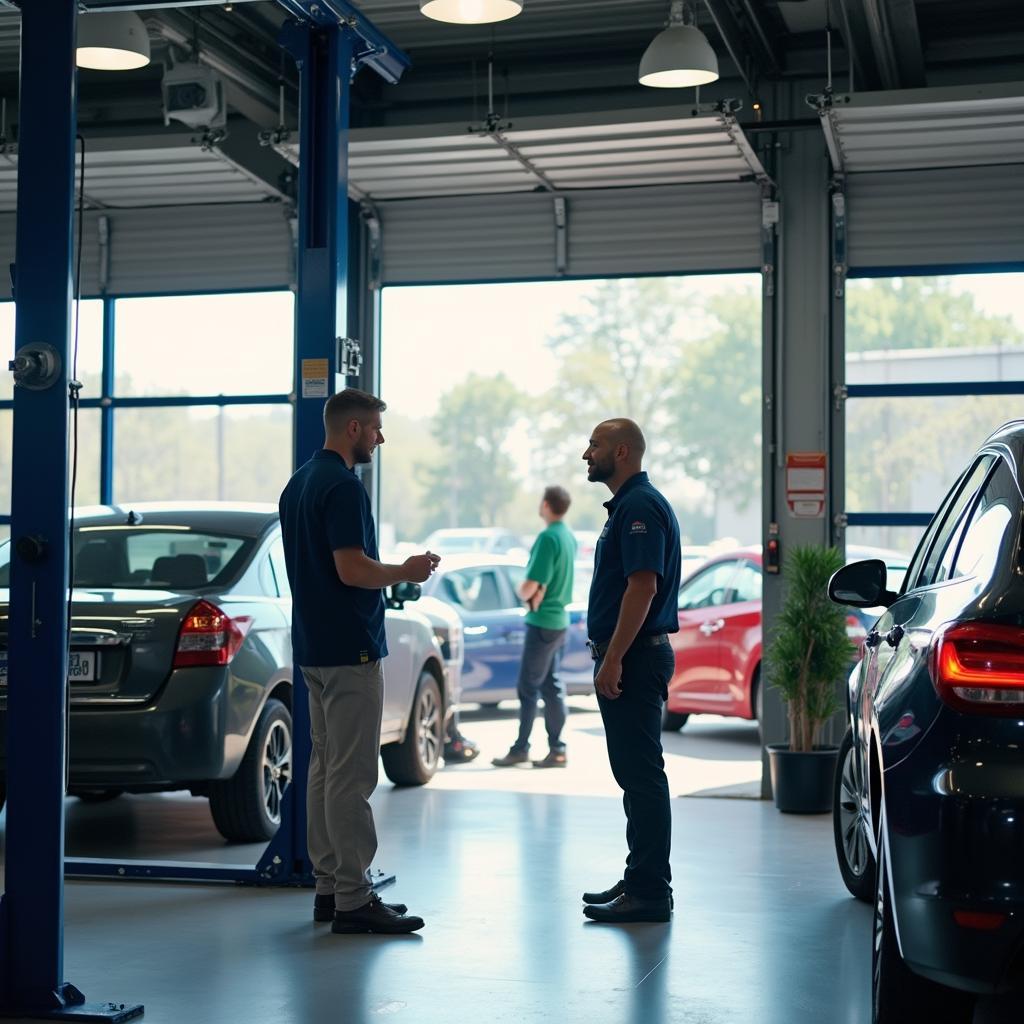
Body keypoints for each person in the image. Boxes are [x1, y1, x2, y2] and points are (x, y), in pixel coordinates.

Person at [279, 387, 439, 936]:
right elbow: (352, 569)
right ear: (352, 430)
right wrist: (407, 569)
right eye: (374, 428)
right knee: (351, 775)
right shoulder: (343, 488)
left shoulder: (298, 483)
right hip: (351, 648)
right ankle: (353, 896)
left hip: (314, 647)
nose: (380, 437)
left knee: (324, 769)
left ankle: (330, 887)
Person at [579, 419, 681, 924]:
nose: (586, 454)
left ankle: (649, 891)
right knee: (635, 776)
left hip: (636, 656)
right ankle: (640, 878)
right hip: (633, 654)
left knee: (641, 777)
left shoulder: (639, 507)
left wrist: (614, 656)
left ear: (621, 451)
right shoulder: (631, 506)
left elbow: (642, 587)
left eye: (594, 445)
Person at [492, 486, 577, 769]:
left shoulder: (548, 537)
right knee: (551, 686)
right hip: (559, 621)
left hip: (541, 621)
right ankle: (558, 749)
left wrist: (522, 591)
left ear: (545, 505)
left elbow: (532, 583)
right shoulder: (567, 536)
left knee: (528, 688)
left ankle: (521, 748)